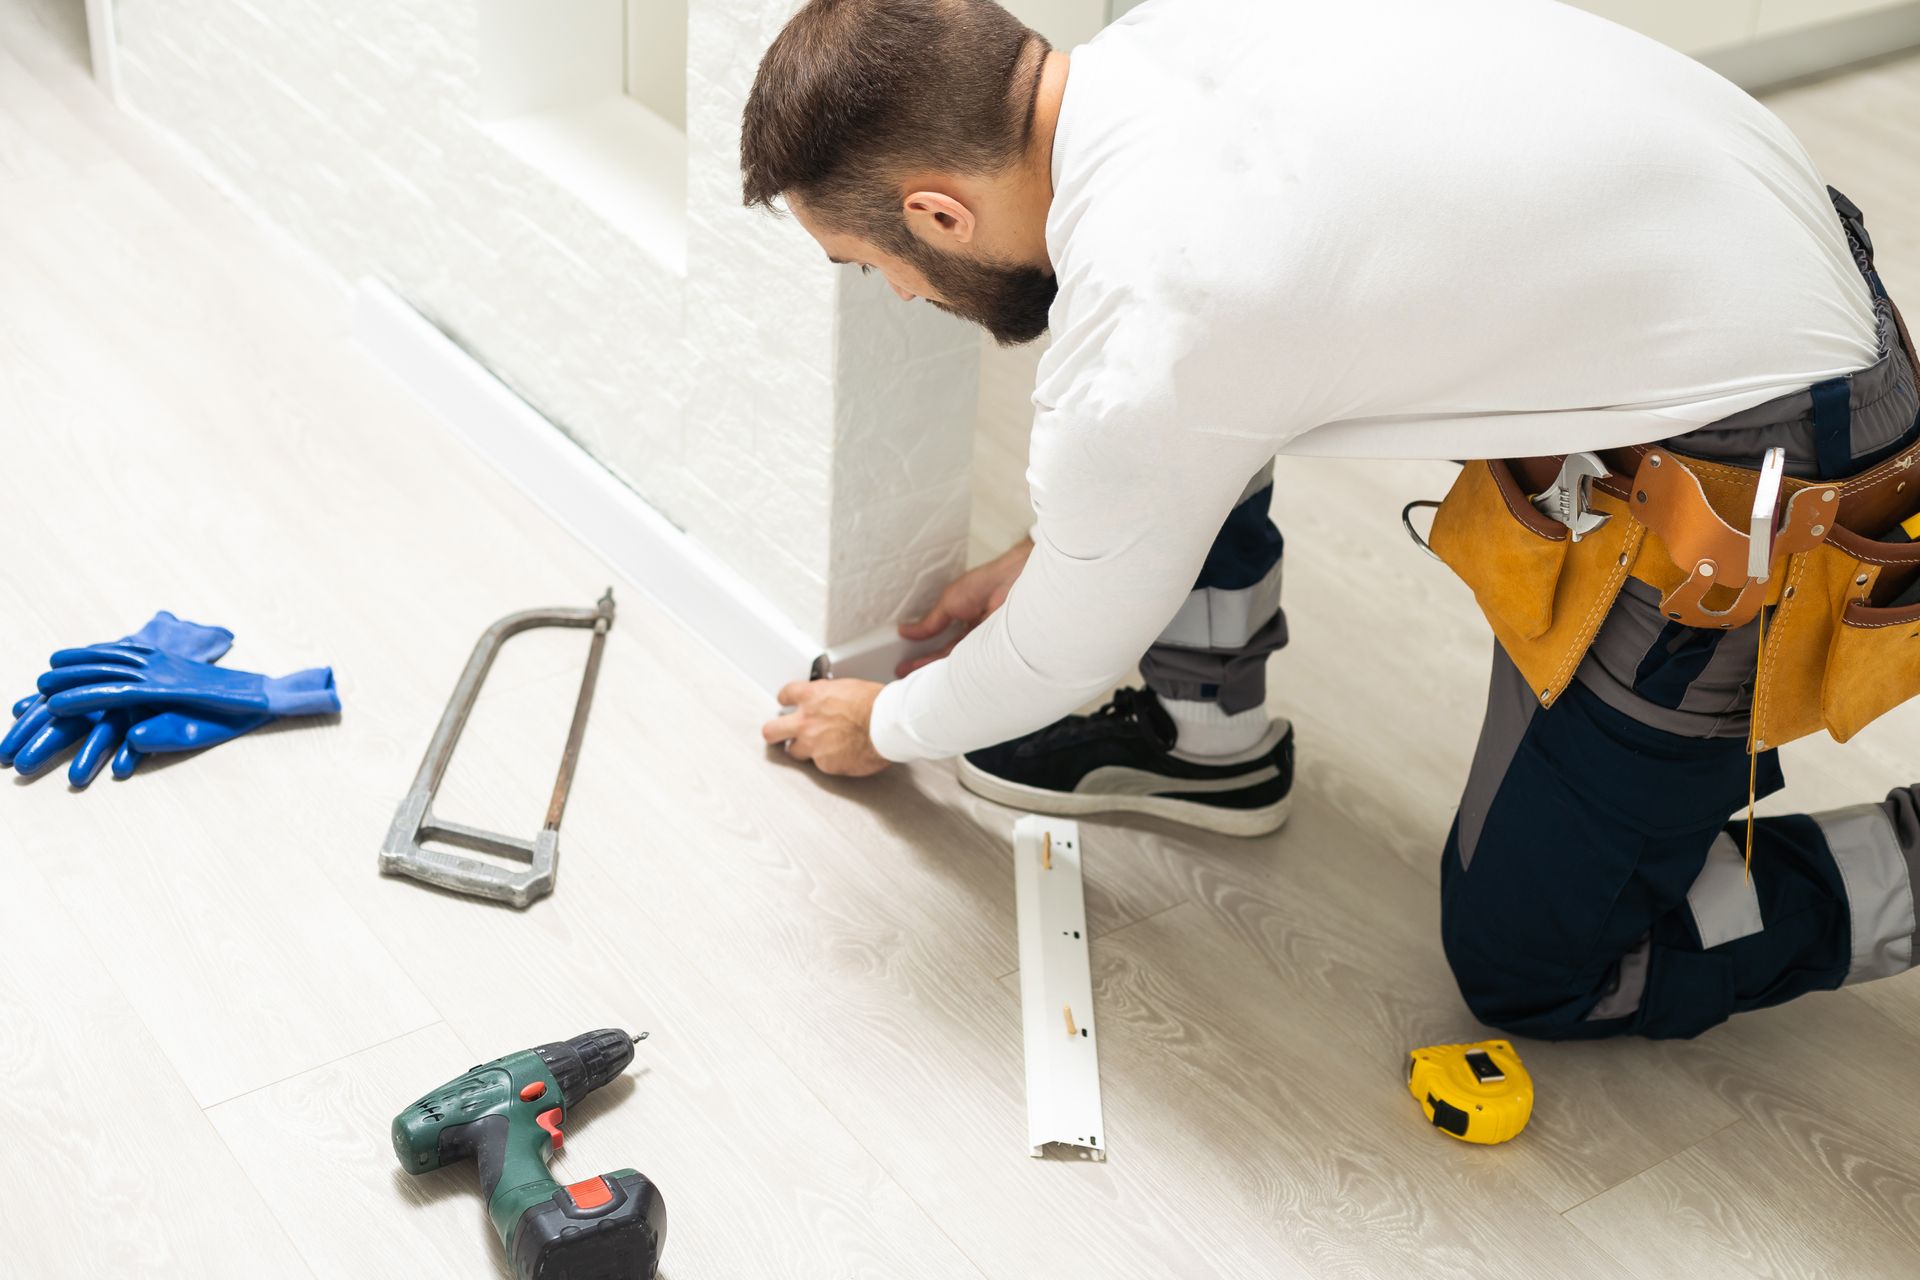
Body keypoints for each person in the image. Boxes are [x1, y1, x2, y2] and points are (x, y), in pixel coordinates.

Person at [745, 0, 1920, 1040]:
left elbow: (1062, 647)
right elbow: (1202, 394)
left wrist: (888, 721)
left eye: (869, 262)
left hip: (1765, 478)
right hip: (1765, 266)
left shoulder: (1155, 318)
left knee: (1540, 964)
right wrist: (1074, 544)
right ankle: (1208, 747)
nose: (896, 291)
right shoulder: (1171, 44)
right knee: (1179, 445)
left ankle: (1898, 866)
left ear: (938, 216)